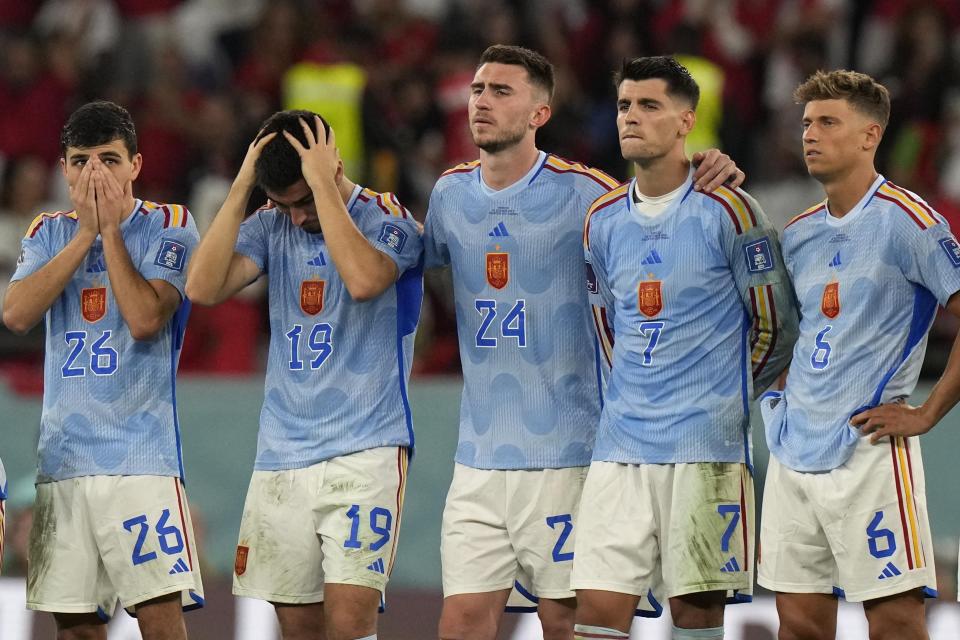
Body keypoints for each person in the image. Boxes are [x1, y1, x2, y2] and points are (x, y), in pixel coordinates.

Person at [424, 45, 745, 640]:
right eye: (477, 90)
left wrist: (704, 166)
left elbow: (651, 204)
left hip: (570, 447)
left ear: (540, 113)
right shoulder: (449, 195)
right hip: (478, 455)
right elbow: (404, 272)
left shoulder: (586, 197)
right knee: (462, 619)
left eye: (501, 91)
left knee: (566, 621)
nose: (482, 102)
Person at [570, 56, 797, 640]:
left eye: (649, 105)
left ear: (686, 121)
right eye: (624, 105)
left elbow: (777, 324)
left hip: (705, 446)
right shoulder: (601, 220)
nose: (631, 117)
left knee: (695, 614)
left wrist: (727, 397)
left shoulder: (731, 208)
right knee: (595, 608)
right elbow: (607, 327)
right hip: (620, 443)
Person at [184, 109, 423, 640]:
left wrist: (324, 189)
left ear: (330, 162)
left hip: (366, 447)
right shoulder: (271, 223)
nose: (293, 218)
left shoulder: (388, 218)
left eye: (302, 200)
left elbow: (363, 280)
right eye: (282, 203)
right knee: (297, 629)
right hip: (281, 453)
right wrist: (245, 184)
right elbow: (201, 289)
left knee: (349, 621)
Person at [757, 69, 960, 640]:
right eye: (805, 123)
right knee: (797, 624)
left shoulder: (909, 222)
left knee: (894, 621)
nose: (810, 135)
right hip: (794, 450)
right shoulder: (796, 234)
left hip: (868, 452)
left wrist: (926, 413)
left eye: (827, 122)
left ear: (870, 136)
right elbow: (783, 331)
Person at [1, 100, 203, 639]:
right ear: (63, 168)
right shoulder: (48, 230)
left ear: (136, 164)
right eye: (81, 160)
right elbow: (16, 313)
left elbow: (143, 319)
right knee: (76, 629)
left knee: (160, 622)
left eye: (110, 160)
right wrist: (85, 233)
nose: (95, 173)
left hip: (140, 461)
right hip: (62, 460)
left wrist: (109, 230)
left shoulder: (171, 224)